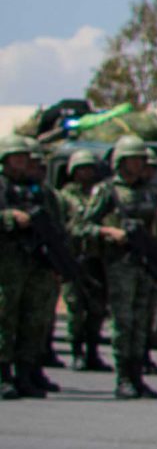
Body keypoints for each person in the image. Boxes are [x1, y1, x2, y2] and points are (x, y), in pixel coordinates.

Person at [75, 136, 157, 400]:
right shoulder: (107, 191)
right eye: (135, 159)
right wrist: (109, 232)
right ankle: (123, 378)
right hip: (120, 264)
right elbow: (81, 226)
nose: (141, 164)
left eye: (142, 159)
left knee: (142, 322)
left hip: (145, 266)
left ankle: (137, 375)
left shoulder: (151, 192)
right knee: (124, 321)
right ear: (121, 161)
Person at [0, 133, 69, 398]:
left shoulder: (38, 190)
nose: (23, 164)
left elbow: (54, 225)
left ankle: (27, 373)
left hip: (36, 262)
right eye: (17, 158)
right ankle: (3, 374)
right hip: (7, 263)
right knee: (5, 318)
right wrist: (9, 217)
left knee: (32, 320)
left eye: (25, 158)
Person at [58, 148, 108, 373]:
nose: (87, 173)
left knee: (97, 309)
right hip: (74, 257)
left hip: (96, 258)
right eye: (82, 169)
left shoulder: (101, 195)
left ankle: (92, 352)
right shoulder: (64, 197)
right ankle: (77, 351)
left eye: (90, 169)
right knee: (76, 307)